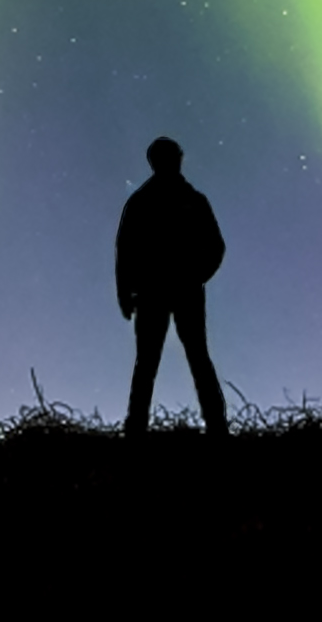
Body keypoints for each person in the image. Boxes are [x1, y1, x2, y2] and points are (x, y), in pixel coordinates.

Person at [115, 135, 228, 436]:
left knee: (192, 358)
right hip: (156, 293)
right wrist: (126, 293)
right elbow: (125, 250)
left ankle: (216, 426)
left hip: (178, 291)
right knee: (152, 362)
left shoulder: (189, 200)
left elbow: (215, 246)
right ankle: (137, 428)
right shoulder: (144, 202)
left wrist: (194, 277)